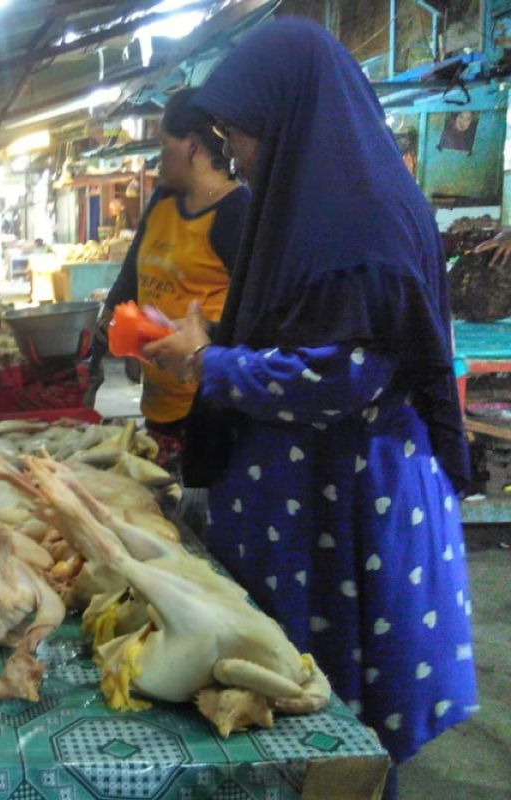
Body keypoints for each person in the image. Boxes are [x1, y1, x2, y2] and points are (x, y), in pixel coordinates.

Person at [142, 20, 477, 792]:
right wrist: (215, 336)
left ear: (295, 116)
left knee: (340, 714)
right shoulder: (303, 207)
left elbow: (344, 376)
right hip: (306, 502)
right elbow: (296, 324)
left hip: (350, 507)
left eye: (245, 136)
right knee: (288, 700)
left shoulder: (365, 224)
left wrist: (210, 361)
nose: (242, 156)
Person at [98, 88, 249, 472]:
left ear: (194, 146)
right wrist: (115, 332)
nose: (159, 158)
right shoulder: (164, 198)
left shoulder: (236, 212)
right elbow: (133, 273)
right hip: (158, 402)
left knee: (191, 519)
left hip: (207, 406)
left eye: (165, 145)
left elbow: (252, 314)